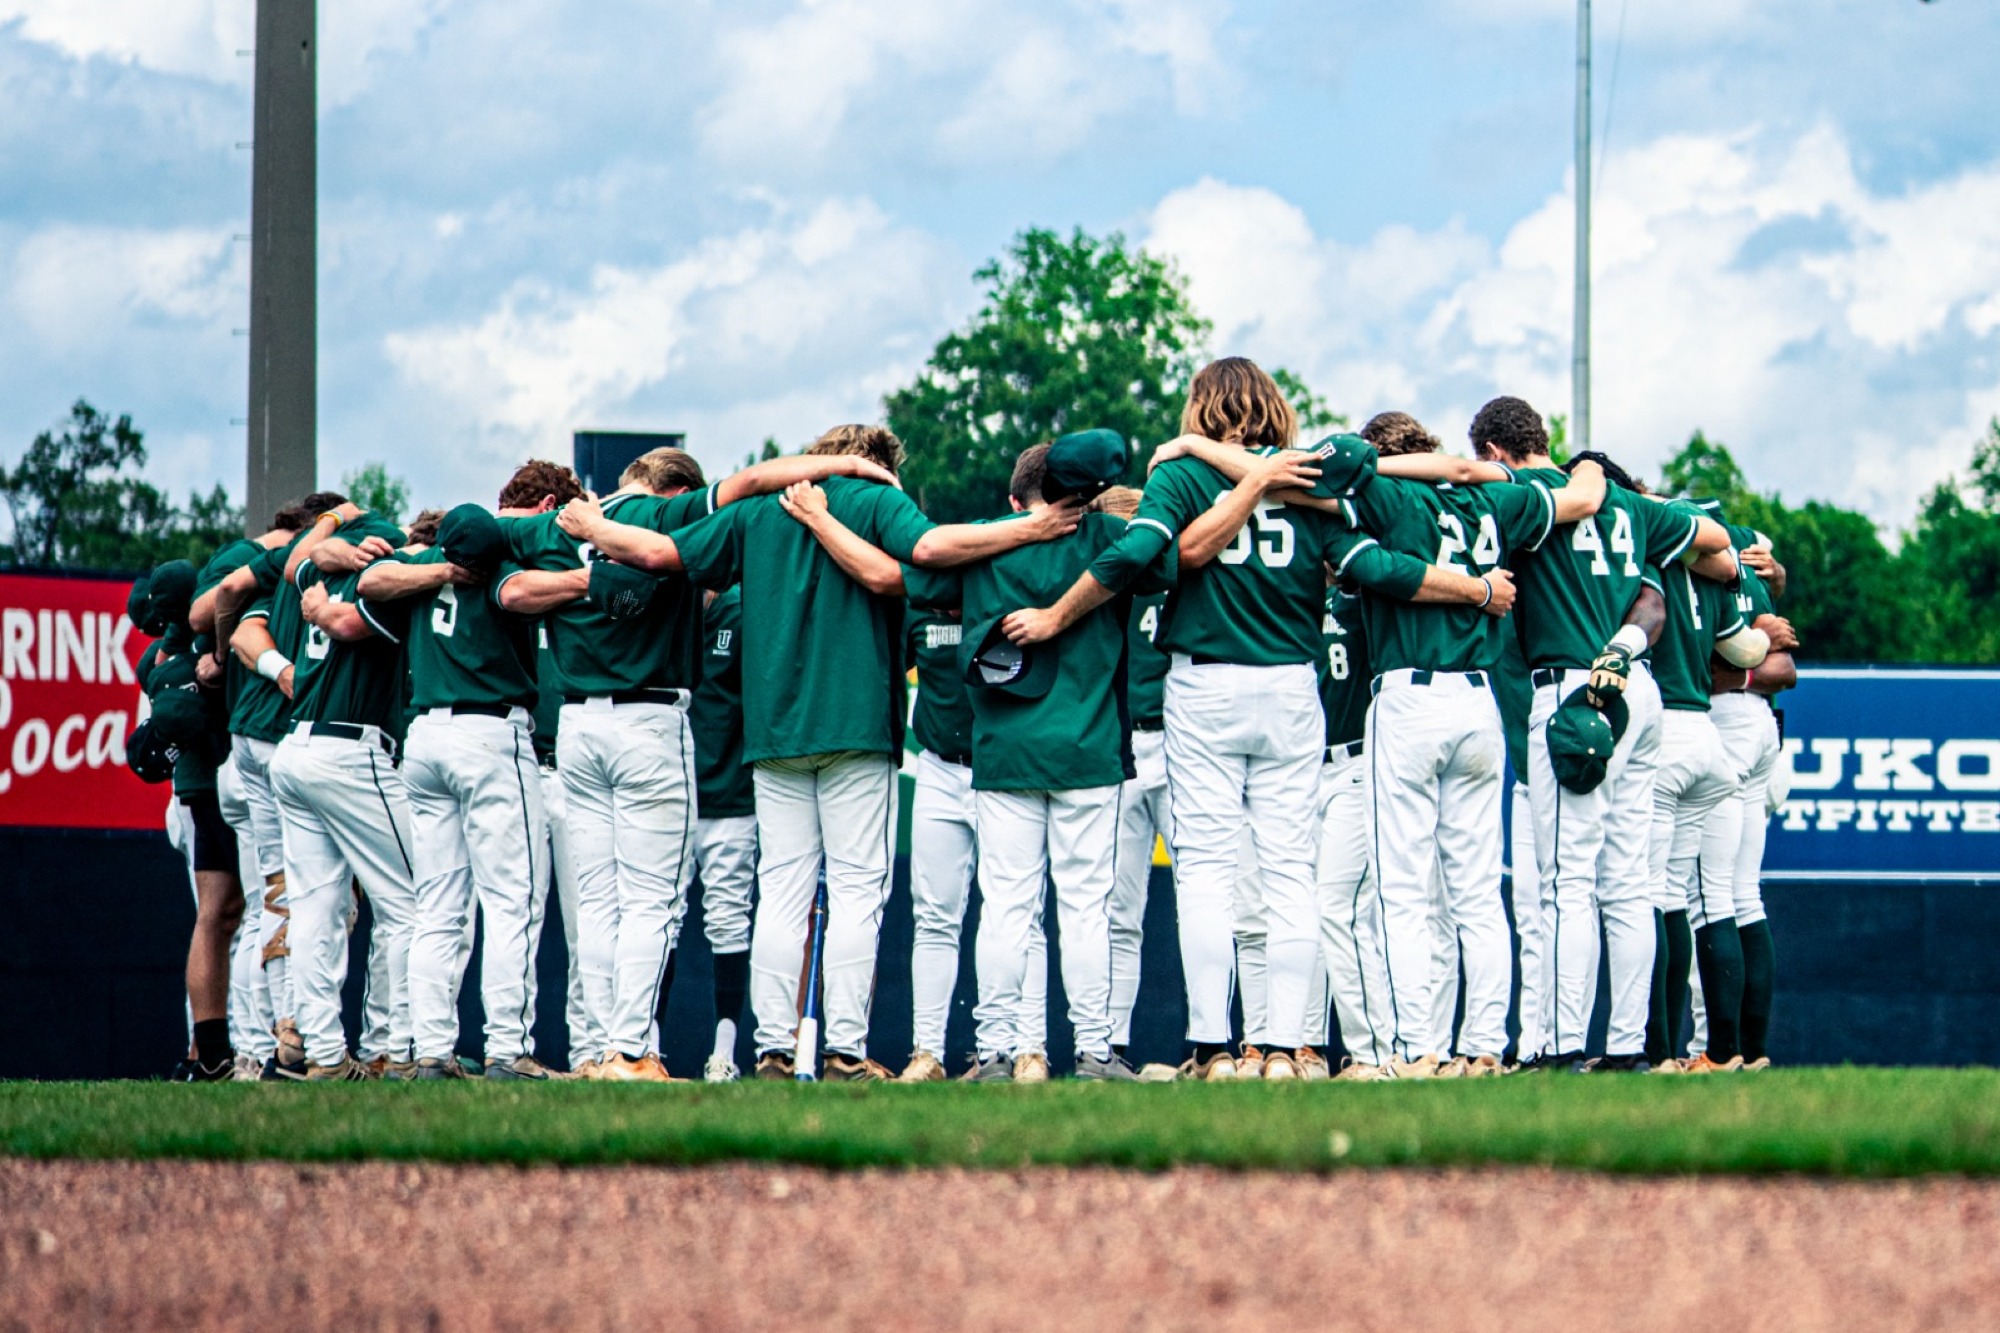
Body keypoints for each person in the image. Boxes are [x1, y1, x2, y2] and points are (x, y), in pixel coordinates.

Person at [560, 424, 1081, 1081]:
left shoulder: (758, 510)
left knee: (780, 891)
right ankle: (842, 1051)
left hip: (775, 728)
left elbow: (662, 553)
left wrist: (593, 528)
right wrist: (1030, 529)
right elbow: (931, 546)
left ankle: (774, 1048)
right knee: (859, 891)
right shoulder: (874, 495)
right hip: (856, 722)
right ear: (880, 464)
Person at [497, 445, 889, 1081]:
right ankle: (630, 1051)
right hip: (648, 719)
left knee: (599, 902)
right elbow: (758, 479)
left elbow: (500, 578)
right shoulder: (666, 514)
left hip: (576, 723)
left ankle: (600, 1051)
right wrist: (844, 467)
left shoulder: (556, 521)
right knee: (652, 902)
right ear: (677, 490)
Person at [1467, 398, 1734, 1072]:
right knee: (1628, 881)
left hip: (1573, 689)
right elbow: (1715, 542)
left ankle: (1558, 1045)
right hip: (1638, 691)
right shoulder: (1622, 500)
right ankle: (1626, 1047)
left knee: (1567, 883)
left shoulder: (1526, 494)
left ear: (1495, 452)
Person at [357, 496, 553, 1081]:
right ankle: (506, 1049)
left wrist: (438, 564)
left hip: (426, 740)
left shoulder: (417, 572)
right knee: (511, 900)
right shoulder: (500, 571)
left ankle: (429, 1051)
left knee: (436, 909)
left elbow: (371, 582)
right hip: (489, 734)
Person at [265, 503, 419, 1080]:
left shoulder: (316, 573)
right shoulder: (377, 584)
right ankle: (398, 1047)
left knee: (314, 910)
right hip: (350, 750)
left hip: (296, 746)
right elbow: (353, 621)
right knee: (414, 901)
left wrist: (330, 528)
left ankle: (326, 1056)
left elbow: (295, 564)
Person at [1643, 502, 1770, 1074]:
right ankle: (1732, 1051)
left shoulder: (1648, 557)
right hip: (1712, 736)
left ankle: (1677, 1049)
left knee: (1667, 893)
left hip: (1674, 731)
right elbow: (1750, 651)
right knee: (1728, 895)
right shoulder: (1721, 570)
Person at [688, 583, 758, 1082]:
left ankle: (724, 1053)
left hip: (731, 793)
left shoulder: (740, 607)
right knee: (655, 924)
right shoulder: (657, 598)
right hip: (664, 797)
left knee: (728, 922)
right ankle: (636, 1049)